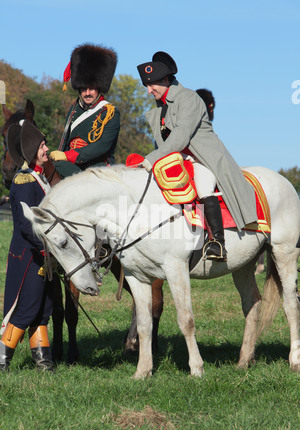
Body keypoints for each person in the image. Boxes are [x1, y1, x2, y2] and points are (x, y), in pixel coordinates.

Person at [137, 51, 257, 261]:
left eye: (152, 84)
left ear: (166, 79)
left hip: (204, 159)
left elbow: (181, 136)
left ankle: (217, 243)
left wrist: (151, 158)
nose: (148, 90)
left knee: (203, 188)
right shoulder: (160, 108)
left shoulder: (188, 98)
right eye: (147, 86)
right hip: (178, 160)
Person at [0, 120, 55, 372]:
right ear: (33, 151)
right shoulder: (24, 180)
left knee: (43, 310)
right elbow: (25, 224)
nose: (46, 149)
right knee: (25, 310)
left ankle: (43, 362)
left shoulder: (39, 178)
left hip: (42, 255)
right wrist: (45, 247)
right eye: (42, 146)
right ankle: (1, 361)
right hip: (29, 256)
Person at [50, 43, 120, 177]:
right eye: (83, 88)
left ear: (99, 88)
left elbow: (102, 146)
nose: (87, 93)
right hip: (71, 165)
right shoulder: (74, 109)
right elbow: (65, 141)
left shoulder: (110, 112)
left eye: (91, 88)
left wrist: (67, 156)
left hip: (98, 167)